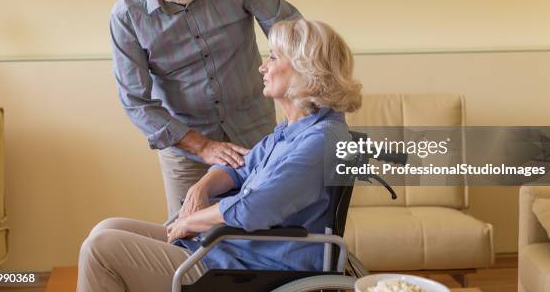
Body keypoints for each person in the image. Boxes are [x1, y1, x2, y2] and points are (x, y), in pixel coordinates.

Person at [78, 19, 362, 291]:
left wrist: (190, 221)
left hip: (255, 267)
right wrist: (201, 187)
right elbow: (239, 166)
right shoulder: (292, 131)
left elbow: (255, 207)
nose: (263, 67)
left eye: (273, 58)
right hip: (233, 249)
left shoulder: (319, 142)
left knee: (101, 250)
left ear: (305, 69)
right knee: (107, 228)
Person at [110, 0, 302, 219]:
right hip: (186, 149)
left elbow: (290, 27)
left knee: (266, 233)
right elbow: (135, 101)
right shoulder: (127, 17)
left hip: (254, 134)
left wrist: (288, 74)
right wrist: (201, 147)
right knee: (188, 242)